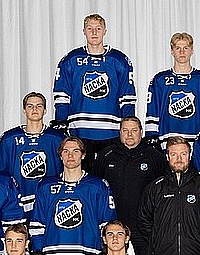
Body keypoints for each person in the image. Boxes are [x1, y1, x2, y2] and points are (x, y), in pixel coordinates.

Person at [52, 14, 137, 164]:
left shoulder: (119, 60)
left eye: (98, 28)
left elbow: (127, 97)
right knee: (83, 175)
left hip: (111, 132)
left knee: (111, 175)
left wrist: (128, 126)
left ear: (105, 31)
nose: (94, 32)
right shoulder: (71, 59)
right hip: (79, 131)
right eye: (90, 29)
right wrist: (61, 120)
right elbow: (62, 95)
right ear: (84, 31)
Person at [92, 116, 168, 237]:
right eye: (125, 130)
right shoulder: (106, 155)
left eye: (134, 130)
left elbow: (163, 190)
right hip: (113, 225)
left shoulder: (155, 156)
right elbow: (94, 186)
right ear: (120, 132)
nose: (129, 134)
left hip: (143, 225)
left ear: (141, 132)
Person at [0, 92, 66, 214]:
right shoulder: (9, 139)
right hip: (18, 204)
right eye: (30, 106)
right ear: (24, 110)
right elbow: (1, 175)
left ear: (45, 110)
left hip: (49, 202)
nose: (34, 109)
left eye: (39, 106)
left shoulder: (57, 138)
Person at [144, 32, 200, 149]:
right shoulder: (160, 80)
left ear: (192, 50)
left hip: (196, 141)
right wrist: (151, 137)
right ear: (172, 51)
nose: (182, 52)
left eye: (186, 48)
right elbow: (153, 111)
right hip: (167, 141)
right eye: (178, 48)